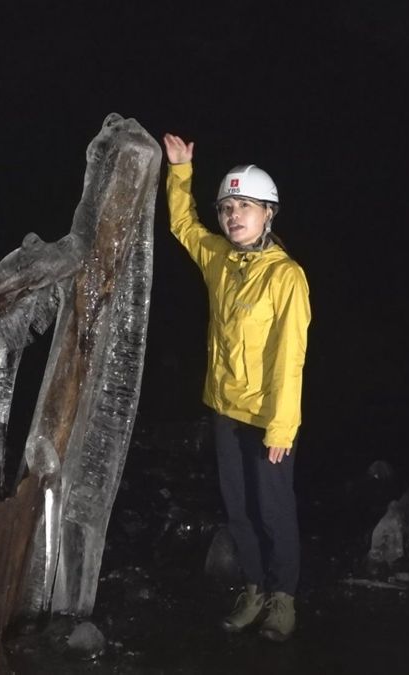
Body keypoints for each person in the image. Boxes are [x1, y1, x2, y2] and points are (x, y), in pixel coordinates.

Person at [163, 133, 311, 642]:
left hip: (268, 417)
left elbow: (290, 359)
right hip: (225, 411)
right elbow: (183, 226)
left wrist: (282, 427)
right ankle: (252, 589)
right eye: (227, 207)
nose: (232, 216)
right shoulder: (221, 261)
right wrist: (181, 170)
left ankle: (283, 598)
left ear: (268, 213)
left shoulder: (286, 277)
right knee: (239, 509)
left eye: (245, 206)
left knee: (274, 511)